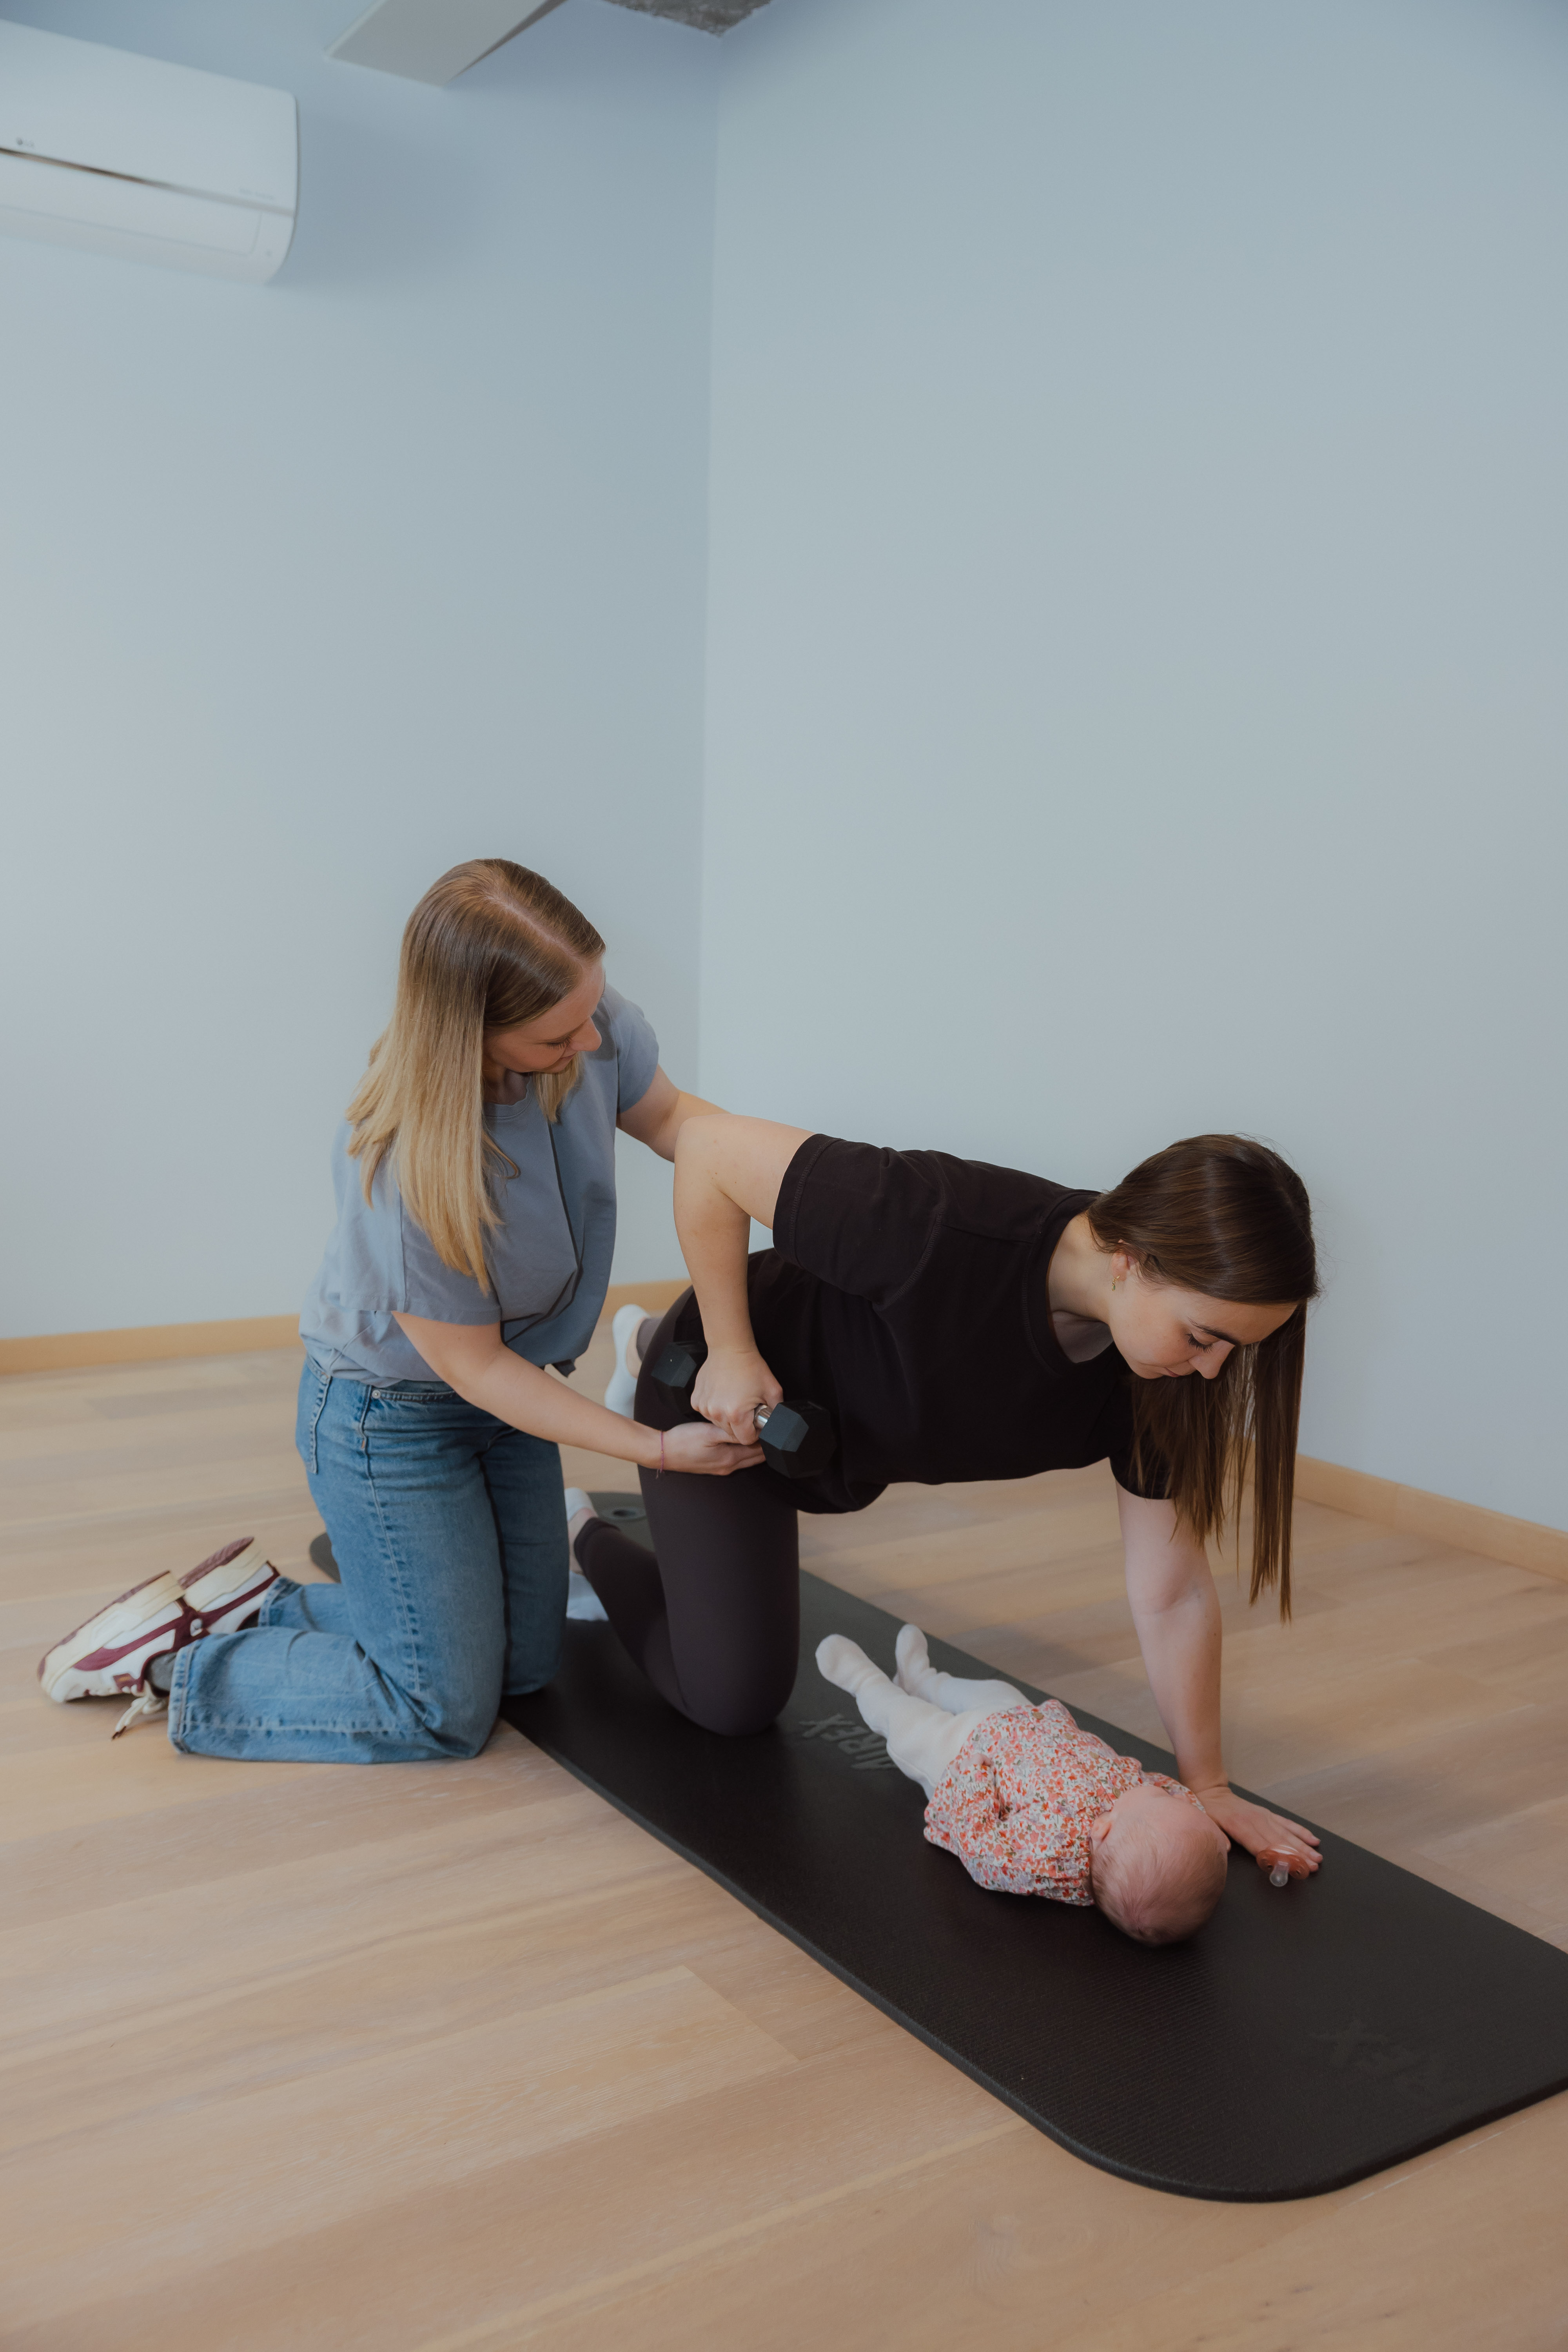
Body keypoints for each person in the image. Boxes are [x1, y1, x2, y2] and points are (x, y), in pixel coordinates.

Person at [39, 860, 757, 1755]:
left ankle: (262, 1604)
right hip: (392, 1421)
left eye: (590, 1010)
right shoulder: (406, 1162)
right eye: (556, 1034)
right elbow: (476, 1368)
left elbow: (687, 1128)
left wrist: (801, 1191)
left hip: (510, 1397)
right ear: (472, 1029)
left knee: (527, 1667)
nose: (589, 1040)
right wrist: (657, 1449)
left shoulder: (585, 1022)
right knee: (441, 1711)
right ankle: (175, 1662)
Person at [569, 1120, 1324, 1874]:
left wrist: (1207, 1784)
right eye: (1203, 1337)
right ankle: (578, 1524)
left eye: (1235, 1350)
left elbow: (1172, 1593)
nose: (1214, 1371)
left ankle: (632, 1371)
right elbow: (709, 1150)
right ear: (1129, 1260)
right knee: (731, 1703)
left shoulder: (1160, 1378)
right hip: (721, 1412)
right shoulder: (937, 1222)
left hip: (825, 1449)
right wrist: (732, 1353)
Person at [815, 1623, 1232, 1944]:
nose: (1164, 1789)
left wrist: (972, 1778)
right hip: (1021, 1718)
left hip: (965, 1756)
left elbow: (983, 1852)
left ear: (1104, 1829)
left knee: (908, 1726)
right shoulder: (1137, 1817)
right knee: (992, 1689)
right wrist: (1208, 1835)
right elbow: (1176, 1804)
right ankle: (923, 1679)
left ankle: (865, 1682)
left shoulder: (1050, 1855)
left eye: (1161, 1797)